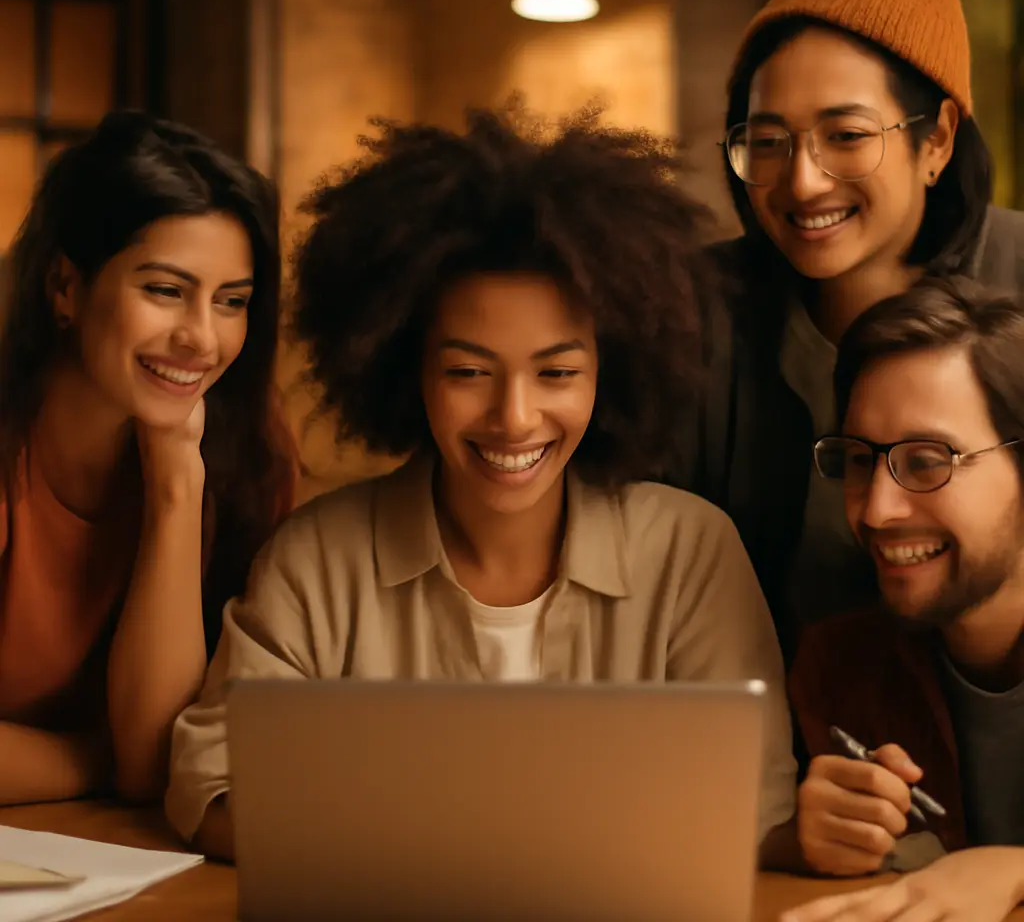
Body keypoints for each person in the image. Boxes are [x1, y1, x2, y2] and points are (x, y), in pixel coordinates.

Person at [165, 101, 798, 864]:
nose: (514, 417)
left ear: (615, 368)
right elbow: (209, 789)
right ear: (404, 368)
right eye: (468, 372)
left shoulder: (690, 553)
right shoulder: (317, 561)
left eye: (557, 372)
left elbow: (752, 813)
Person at [665, 0, 1024, 665]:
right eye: (767, 142)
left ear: (938, 139)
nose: (802, 180)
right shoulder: (691, 314)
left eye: (847, 137)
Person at [0, 110, 295, 806]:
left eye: (231, 302)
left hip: (123, 870)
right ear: (66, 287)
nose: (200, 337)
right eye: (165, 290)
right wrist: (93, 761)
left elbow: (155, 765)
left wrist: (174, 478)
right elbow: (150, 766)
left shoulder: (247, 454)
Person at [783, 277, 1024, 922]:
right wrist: (824, 839)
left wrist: (1012, 869)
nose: (879, 511)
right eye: (861, 460)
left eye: (927, 462)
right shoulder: (841, 666)